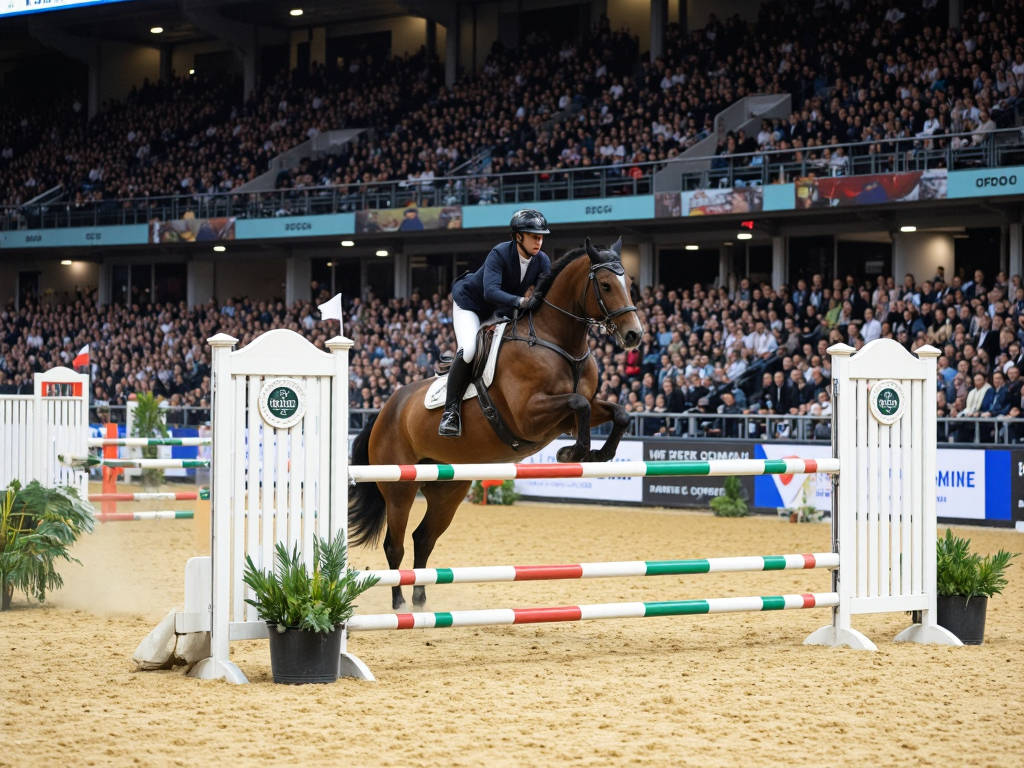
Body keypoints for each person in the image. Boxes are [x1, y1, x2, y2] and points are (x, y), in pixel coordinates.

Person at [438, 209, 552, 436]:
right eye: (533, 236)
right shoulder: (499, 253)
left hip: (499, 309)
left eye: (541, 236)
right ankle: (450, 412)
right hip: (470, 305)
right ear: (518, 236)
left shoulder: (542, 261)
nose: (539, 241)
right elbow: (490, 291)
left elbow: (544, 294)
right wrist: (521, 301)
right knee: (470, 350)